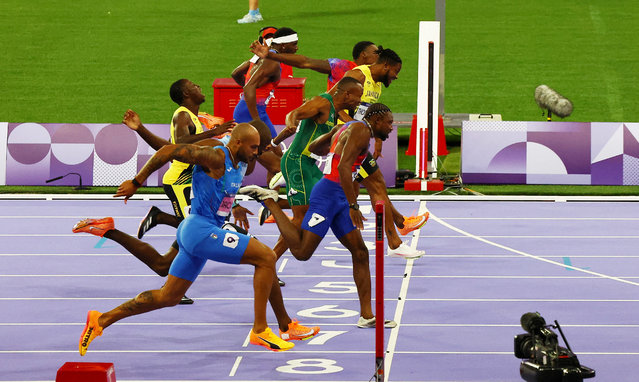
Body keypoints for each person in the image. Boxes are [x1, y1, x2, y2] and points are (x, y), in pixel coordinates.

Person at [77, 123, 319, 356]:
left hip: (199, 230)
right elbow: (169, 150)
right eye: (254, 148)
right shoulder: (215, 156)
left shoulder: (241, 161)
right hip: (200, 230)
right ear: (237, 143)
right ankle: (261, 330)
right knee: (266, 257)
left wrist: (234, 205)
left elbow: (224, 189)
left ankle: (101, 319)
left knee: (168, 296)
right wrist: (137, 181)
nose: (257, 153)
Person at [240, 104, 399, 328]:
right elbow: (344, 167)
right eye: (390, 122)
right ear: (377, 119)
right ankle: (271, 202)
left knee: (360, 252)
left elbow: (315, 147)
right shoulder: (361, 131)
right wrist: (354, 206)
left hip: (338, 197)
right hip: (328, 196)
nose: (392, 128)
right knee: (302, 252)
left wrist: (332, 151)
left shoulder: (346, 127)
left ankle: (366, 315)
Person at [266, 76, 363, 267]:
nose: (359, 101)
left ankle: (273, 202)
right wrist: (291, 122)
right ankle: (268, 261)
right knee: (301, 218)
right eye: (358, 96)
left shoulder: (336, 111)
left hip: (310, 165)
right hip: (297, 164)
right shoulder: (322, 102)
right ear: (347, 94)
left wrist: (274, 142)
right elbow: (294, 114)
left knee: (320, 201)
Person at [133, 79, 234, 240]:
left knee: (199, 222)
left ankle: (158, 217)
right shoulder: (182, 115)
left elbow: (170, 147)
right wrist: (214, 133)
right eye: (194, 86)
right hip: (179, 181)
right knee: (193, 227)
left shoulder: (192, 118)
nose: (199, 86)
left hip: (192, 180)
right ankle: (177, 257)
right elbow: (181, 143)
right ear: (186, 94)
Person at [249, 40, 380, 91]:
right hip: (336, 125)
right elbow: (306, 62)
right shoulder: (342, 66)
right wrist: (271, 55)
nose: (378, 57)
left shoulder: (377, 78)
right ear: (363, 54)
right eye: (375, 53)